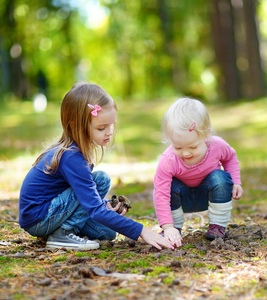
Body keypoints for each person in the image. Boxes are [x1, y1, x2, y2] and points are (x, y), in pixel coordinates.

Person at [19, 82, 174, 251]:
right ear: (76, 127)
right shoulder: (71, 156)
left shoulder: (76, 153)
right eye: (101, 128)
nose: (109, 132)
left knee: (107, 233)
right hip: (39, 217)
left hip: (52, 212)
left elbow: (87, 200)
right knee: (100, 180)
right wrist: (142, 231)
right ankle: (62, 235)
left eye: (112, 124)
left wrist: (105, 204)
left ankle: (60, 231)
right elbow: (92, 207)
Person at [153, 97, 243, 248]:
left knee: (220, 177)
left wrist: (236, 182)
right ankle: (174, 230)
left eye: (193, 147)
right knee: (169, 186)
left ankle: (217, 227)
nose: (186, 153)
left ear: (205, 134)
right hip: (181, 199)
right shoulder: (168, 160)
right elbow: (161, 194)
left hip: (209, 195)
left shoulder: (217, 146)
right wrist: (167, 226)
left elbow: (231, 157)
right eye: (178, 147)